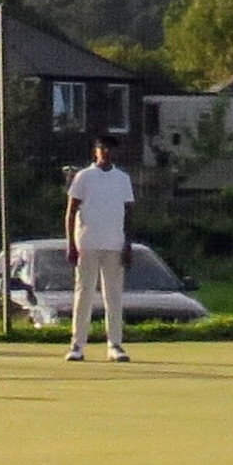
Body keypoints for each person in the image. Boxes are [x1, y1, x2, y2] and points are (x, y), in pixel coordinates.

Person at [63, 134, 137, 362]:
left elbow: (129, 214)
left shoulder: (122, 179)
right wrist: (71, 244)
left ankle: (115, 344)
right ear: (96, 151)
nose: (106, 152)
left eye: (109, 149)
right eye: (102, 148)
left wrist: (127, 245)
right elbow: (71, 211)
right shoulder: (84, 177)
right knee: (84, 294)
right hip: (87, 243)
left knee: (113, 296)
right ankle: (77, 345)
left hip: (114, 244)